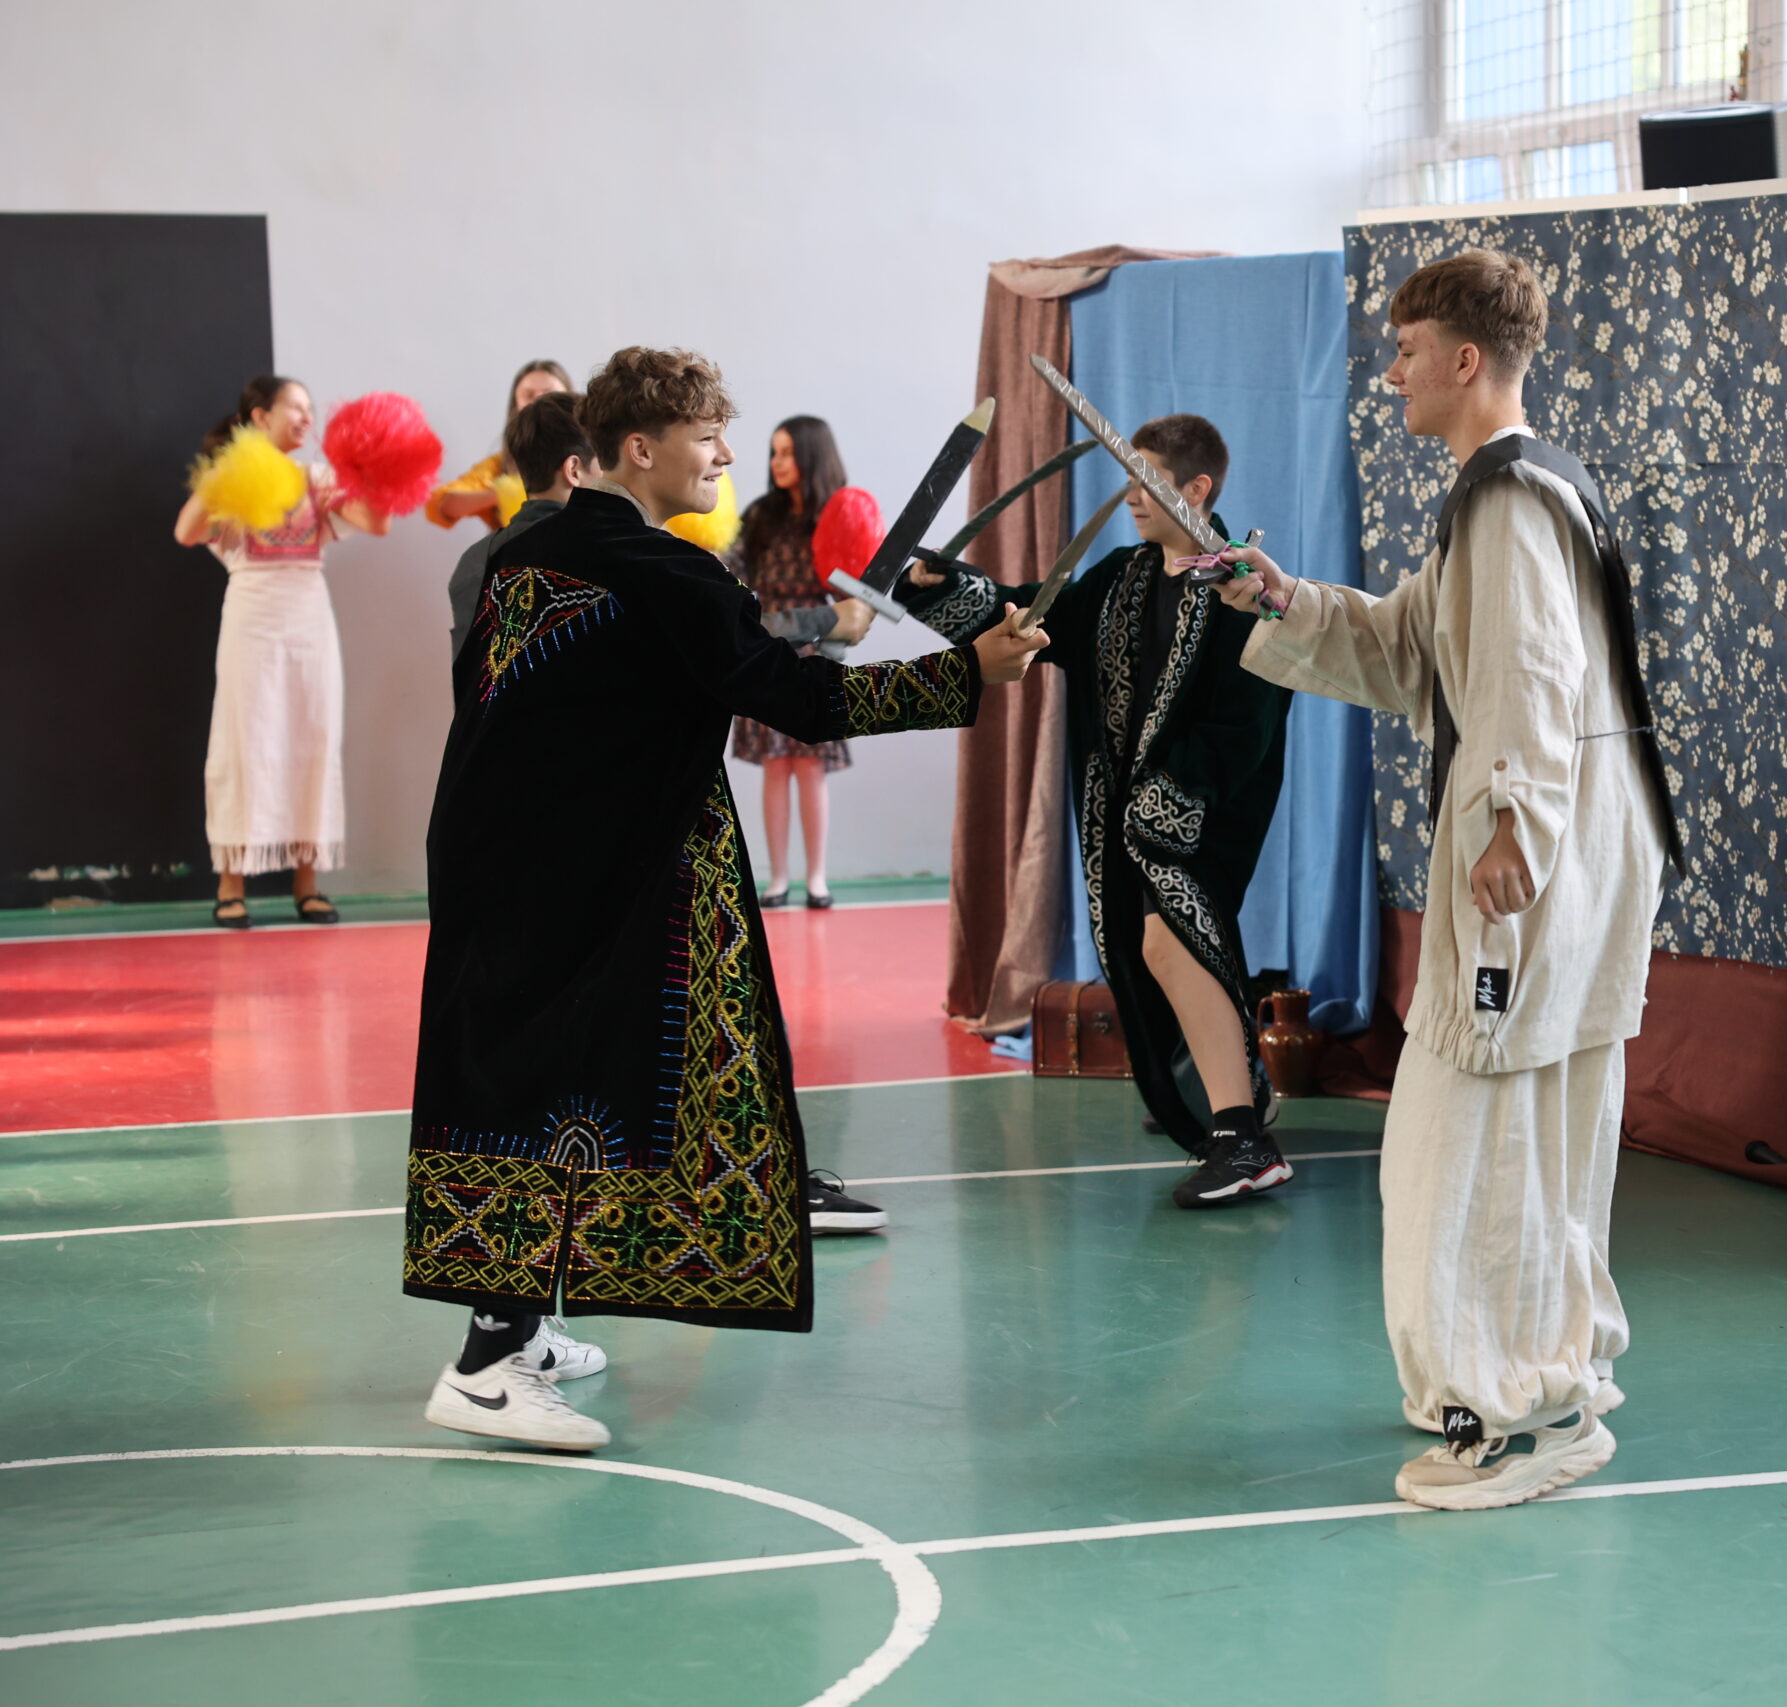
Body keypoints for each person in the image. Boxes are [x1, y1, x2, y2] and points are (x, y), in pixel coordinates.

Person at [408, 346, 1047, 1450]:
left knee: (528, 1084)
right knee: (555, 1085)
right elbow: (798, 700)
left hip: (507, 866)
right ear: (639, 447)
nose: (721, 455)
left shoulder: (528, 551)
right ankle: (485, 1365)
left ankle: (520, 1326)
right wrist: (965, 671)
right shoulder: (665, 571)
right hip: (592, 879)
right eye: (705, 436)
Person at [1212, 250, 1678, 1510]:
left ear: (1466, 359)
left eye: (1407, 350)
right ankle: (1550, 1384)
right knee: (1531, 1133)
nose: (1392, 373)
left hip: (1532, 866)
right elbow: (1415, 646)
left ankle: (1510, 1417)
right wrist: (1281, 598)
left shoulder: (1508, 501)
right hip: (1577, 856)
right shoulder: (1517, 488)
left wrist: (1513, 825)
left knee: (1457, 1147)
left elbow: (1530, 677)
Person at [898, 416, 1295, 1208]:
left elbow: (1251, 715)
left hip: (1199, 812)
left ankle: (1244, 1139)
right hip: (1123, 812)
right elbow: (1034, 616)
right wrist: (942, 587)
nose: (1130, 495)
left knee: (1170, 938)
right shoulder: (1121, 576)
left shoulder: (1241, 585)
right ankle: (1223, 1086)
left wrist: (1174, 794)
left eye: (1147, 478)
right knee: (1141, 953)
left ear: (1197, 488)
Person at [175, 376, 390, 928]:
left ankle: (307, 884)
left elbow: (377, 523)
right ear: (259, 417)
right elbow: (186, 531)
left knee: (312, 737)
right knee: (242, 742)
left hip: (309, 621)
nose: (306, 417)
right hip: (251, 620)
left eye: (309, 408)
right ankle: (230, 885)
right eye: (295, 406)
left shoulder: (317, 480)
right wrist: (229, 472)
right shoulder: (232, 478)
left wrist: (372, 473)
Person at [729, 416, 876, 909]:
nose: (778, 462)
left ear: (812, 455)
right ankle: (778, 878)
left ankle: (816, 878)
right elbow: (735, 567)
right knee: (775, 765)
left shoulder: (835, 516)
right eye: (775, 452)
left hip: (817, 647)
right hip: (768, 645)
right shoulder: (760, 516)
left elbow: (857, 579)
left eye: (788, 452)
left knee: (810, 766)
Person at [446, 391, 590, 660]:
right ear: (574, 470)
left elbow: (470, 675)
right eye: (605, 463)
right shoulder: (598, 552)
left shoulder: (474, 560)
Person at [424, 359, 573, 533]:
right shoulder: (500, 466)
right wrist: (504, 493)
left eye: (549, 393)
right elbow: (440, 505)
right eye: (529, 395)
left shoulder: (594, 456)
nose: (539, 402)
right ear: (516, 406)